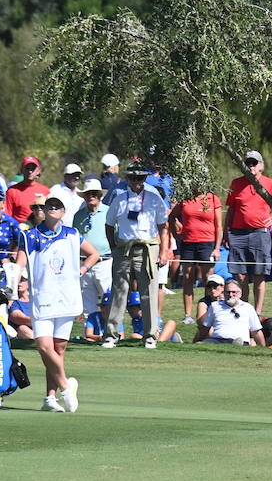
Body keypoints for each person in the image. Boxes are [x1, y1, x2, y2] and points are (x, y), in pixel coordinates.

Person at [17, 195, 100, 411]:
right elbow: (19, 264)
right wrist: (15, 282)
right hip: (42, 298)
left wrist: (81, 271)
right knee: (44, 347)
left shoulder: (72, 234)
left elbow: (93, 254)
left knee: (58, 350)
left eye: (58, 207)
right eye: (49, 206)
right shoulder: (29, 236)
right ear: (43, 210)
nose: (53, 209)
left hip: (67, 297)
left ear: (63, 212)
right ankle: (65, 386)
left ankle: (50, 399)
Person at [104, 161, 170, 348]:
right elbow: (109, 225)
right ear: (127, 178)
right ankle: (111, 335)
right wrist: (113, 247)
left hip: (148, 247)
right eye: (133, 177)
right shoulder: (119, 198)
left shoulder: (154, 197)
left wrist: (163, 251)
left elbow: (163, 226)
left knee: (149, 292)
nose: (136, 182)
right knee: (119, 291)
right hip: (124, 248)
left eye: (140, 178)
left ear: (145, 178)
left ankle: (150, 336)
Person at [225, 150, 272, 316]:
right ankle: (243, 308)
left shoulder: (270, 183)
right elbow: (231, 210)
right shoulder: (236, 183)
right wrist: (226, 233)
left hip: (260, 234)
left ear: (261, 165)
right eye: (248, 163)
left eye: (254, 163)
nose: (251, 166)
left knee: (259, 275)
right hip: (238, 234)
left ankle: (257, 312)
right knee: (240, 275)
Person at [170, 184, 222, 326]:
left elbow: (219, 226)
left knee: (208, 279)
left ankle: (209, 311)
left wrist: (217, 248)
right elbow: (172, 216)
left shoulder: (213, 199)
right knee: (188, 278)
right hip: (188, 242)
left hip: (207, 242)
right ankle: (188, 314)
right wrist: (176, 234)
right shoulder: (185, 198)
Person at [72, 179, 111, 340]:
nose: (91, 196)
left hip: (104, 261)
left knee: (108, 299)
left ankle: (112, 333)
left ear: (100, 195)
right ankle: (91, 335)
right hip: (84, 263)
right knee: (88, 302)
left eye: (94, 193)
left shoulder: (109, 212)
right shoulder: (79, 215)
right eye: (88, 194)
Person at [198, 280, 266, 346]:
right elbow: (205, 328)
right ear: (224, 293)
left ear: (240, 293)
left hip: (240, 342)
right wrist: (197, 342)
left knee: (239, 343)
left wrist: (263, 348)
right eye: (228, 292)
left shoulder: (248, 308)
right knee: (200, 344)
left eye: (234, 292)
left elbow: (256, 331)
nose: (230, 295)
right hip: (217, 341)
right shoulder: (214, 306)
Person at [4, 157, 49, 226]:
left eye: (33, 169)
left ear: (38, 171)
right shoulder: (12, 191)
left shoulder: (45, 190)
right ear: (22, 170)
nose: (30, 171)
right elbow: (7, 215)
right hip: (19, 230)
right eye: (27, 168)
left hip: (40, 230)